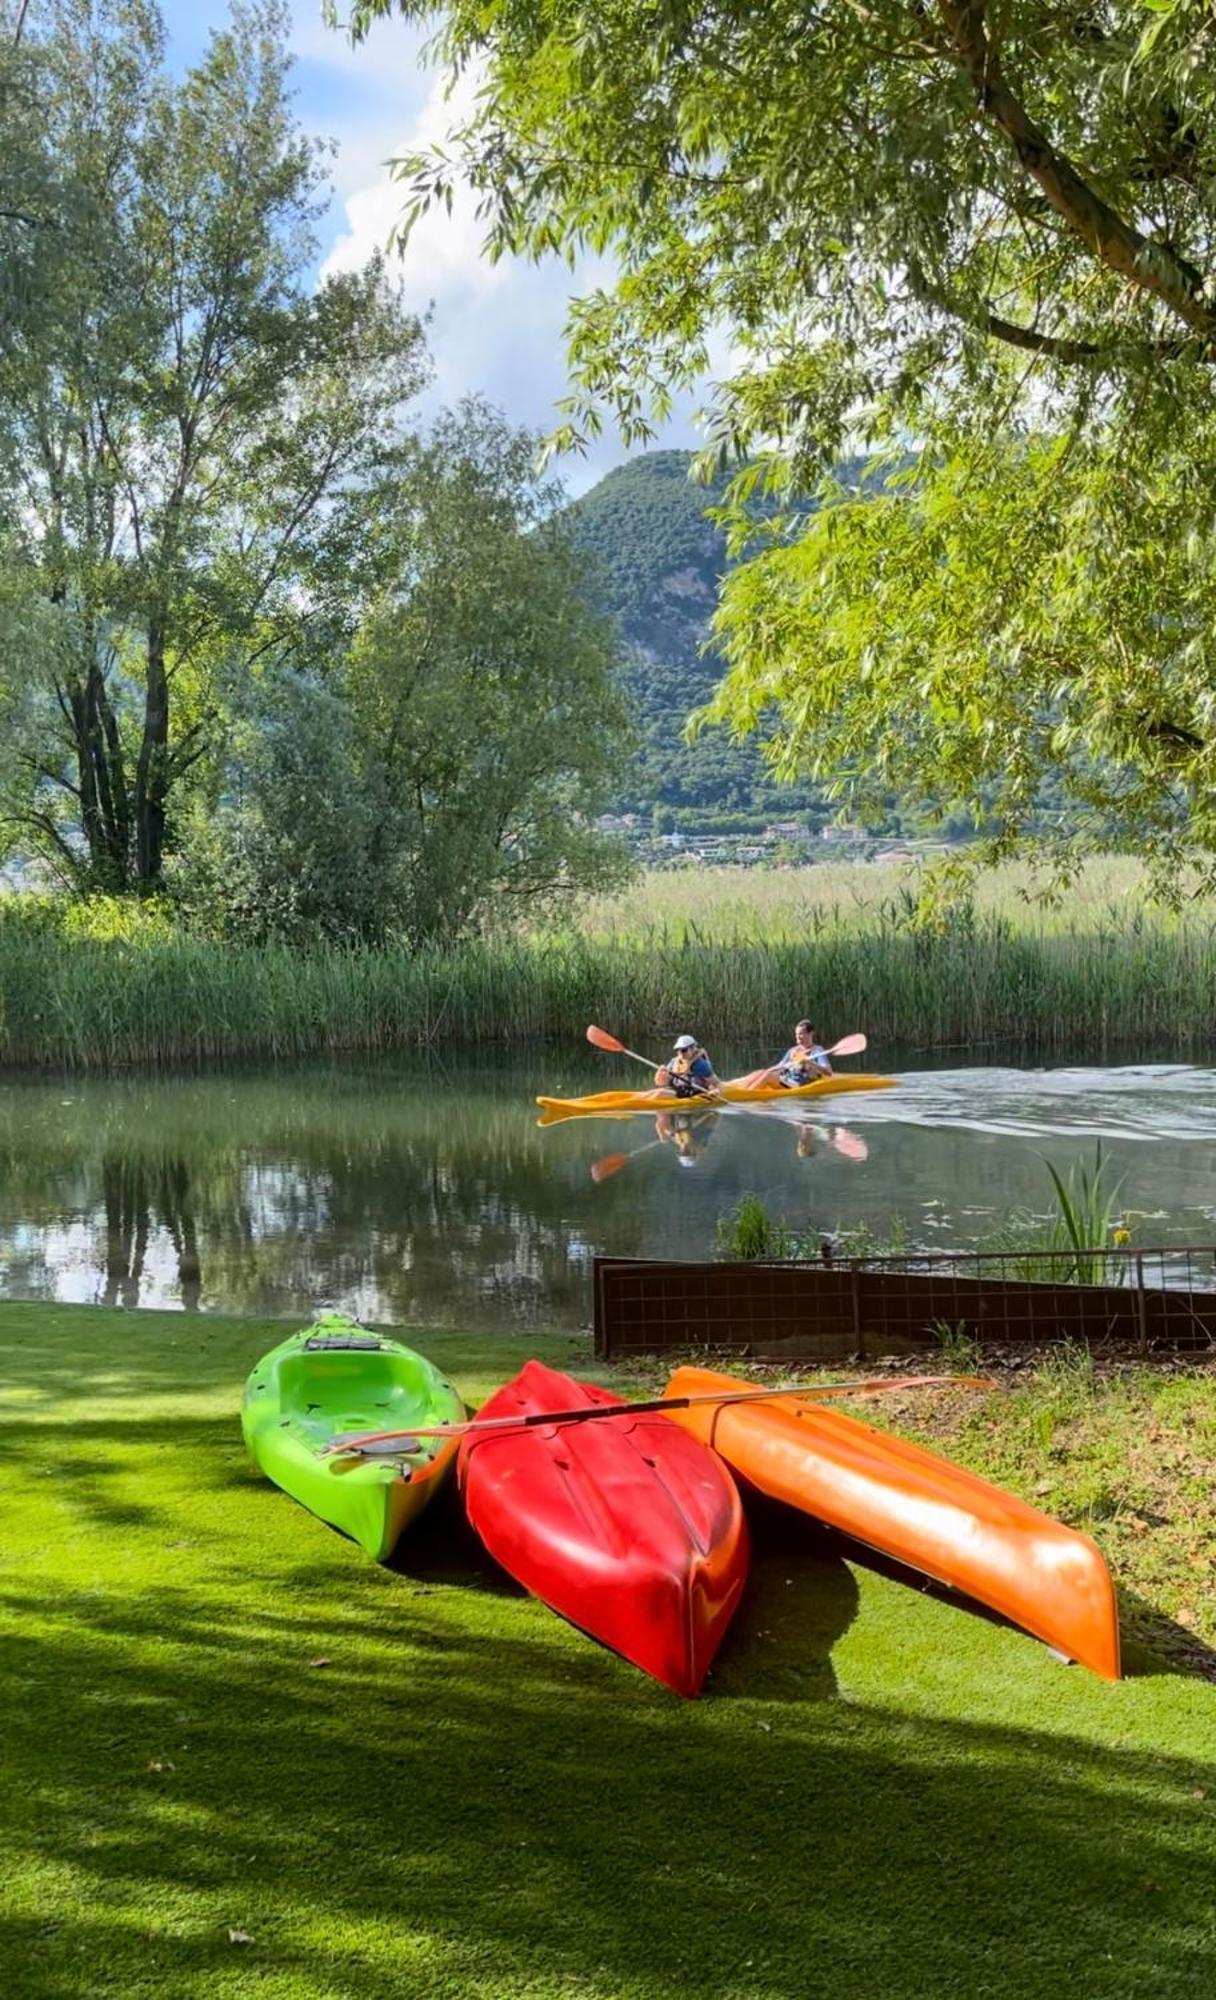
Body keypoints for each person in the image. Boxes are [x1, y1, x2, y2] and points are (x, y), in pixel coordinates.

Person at [741, 1020, 833, 1091]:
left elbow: (828, 1072)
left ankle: (745, 1095)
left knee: (768, 1075)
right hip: (786, 1078)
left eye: (801, 1034)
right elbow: (780, 1066)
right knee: (760, 1072)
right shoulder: (793, 1050)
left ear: (810, 1033)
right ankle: (741, 1090)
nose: (797, 1037)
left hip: (797, 1083)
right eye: (796, 1034)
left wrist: (808, 1062)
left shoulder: (817, 1050)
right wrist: (765, 1071)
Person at [654, 1033, 720, 1099]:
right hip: (678, 1090)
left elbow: (713, 1083)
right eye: (678, 1050)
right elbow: (660, 1083)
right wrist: (661, 1072)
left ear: (693, 1049)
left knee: (659, 1094)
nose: (680, 1053)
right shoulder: (674, 1061)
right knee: (656, 1092)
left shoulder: (699, 1064)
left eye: (684, 1050)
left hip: (693, 1092)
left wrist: (713, 1091)